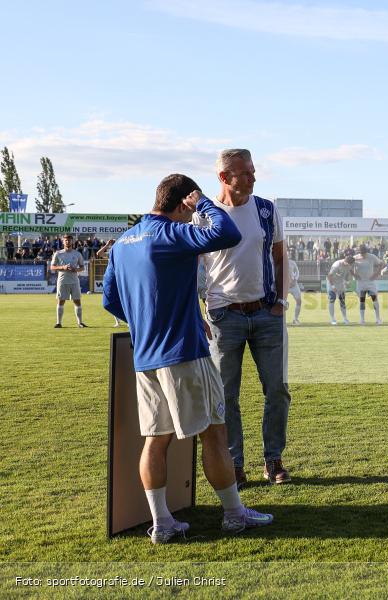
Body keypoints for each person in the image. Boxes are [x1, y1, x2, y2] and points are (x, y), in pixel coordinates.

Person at [102, 174, 272, 544]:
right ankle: (234, 514)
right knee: (214, 432)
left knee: (156, 439)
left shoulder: (124, 242)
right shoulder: (172, 233)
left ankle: (162, 523)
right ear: (183, 204)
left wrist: (150, 320)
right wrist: (206, 204)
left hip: (145, 357)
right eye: (190, 208)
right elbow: (226, 234)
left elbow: (110, 300)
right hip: (183, 352)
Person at [193, 149, 292, 487]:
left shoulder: (266, 209)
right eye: (245, 172)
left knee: (277, 390)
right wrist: (198, 312)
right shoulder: (203, 217)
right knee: (226, 396)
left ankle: (273, 459)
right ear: (224, 178)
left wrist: (279, 301)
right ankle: (234, 464)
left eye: (253, 170)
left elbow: (280, 257)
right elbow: (192, 269)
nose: (253, 177)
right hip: (224, 317)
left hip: (266, 314)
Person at [50, 234, 87, 328]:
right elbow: (52, 267)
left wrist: (76, 270)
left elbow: (82, 267)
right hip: (62, 280)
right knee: (61, 301)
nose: (67, 242)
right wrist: (63, 267)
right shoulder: (58, 253)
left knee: (77, 301)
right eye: (66, 240)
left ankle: (80, 323)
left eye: (69, 240)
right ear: (63, 242)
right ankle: (59, 323)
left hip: (74, 280)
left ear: (72, 241)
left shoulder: (77, 254)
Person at [353, 245, 385, 325]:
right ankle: (362, 320)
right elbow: (348, 265)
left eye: (364, 253)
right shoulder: (355, 258)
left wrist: (376, 274)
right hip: (361, 282)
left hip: (371, 282)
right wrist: (354, 275)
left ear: (366, 252)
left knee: (374, 300)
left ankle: (378, 319)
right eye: (361, 253)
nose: (362, 254)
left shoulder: (372, 257)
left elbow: (382, 263)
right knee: (362, 301)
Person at [96, 239, 121, 327]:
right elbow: (99, 253)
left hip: (121, 278)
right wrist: (106, 245)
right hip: (113, 279)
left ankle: (128, 320)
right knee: (111, 299)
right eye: (112, 244)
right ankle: (117, 322)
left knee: (124, 300)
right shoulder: (111, 254)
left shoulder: (122, 253)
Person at [327, 252, 355, 325]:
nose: (350, 266)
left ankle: (345, 318)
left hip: (340, 284)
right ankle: (332, 319)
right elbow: (329, 276)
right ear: (346, 262)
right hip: (332, 283)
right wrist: (332, 286)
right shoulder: (337, 265)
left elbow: (347, 275)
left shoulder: (349, 266)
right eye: (349, 264)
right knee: (332, 300)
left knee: (342, 301)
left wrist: (348, 281)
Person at [287, 258, 303, 325]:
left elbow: (297, 271)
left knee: (299, 301)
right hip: (284, 285)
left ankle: (295, 319)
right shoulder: (278, 261)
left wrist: (295, 280)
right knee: (281, 303)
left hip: (294, 284)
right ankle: (281, 320)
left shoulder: (292, 262)